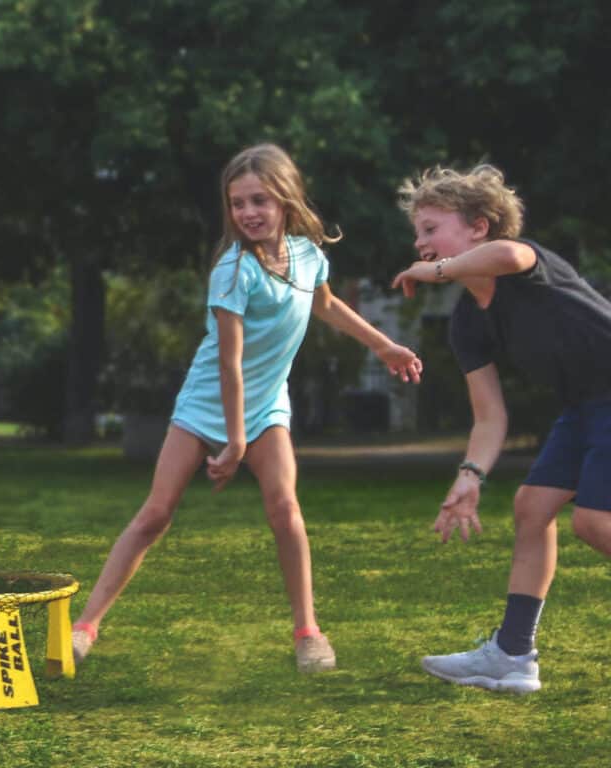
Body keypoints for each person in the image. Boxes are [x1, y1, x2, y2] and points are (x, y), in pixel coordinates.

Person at [70, 144, 423, 673]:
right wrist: (233, 443)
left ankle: (308, 633)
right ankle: (84, 628)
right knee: (156, 513)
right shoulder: (233, 271)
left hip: (266, 405)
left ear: (285, 199)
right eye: (237, 204)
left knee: (285, 510)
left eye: (258, 200)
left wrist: (382, 345)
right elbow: (228, 365)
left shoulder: (307, 255)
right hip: (207, 402)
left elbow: (324, 304)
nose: (248, 213)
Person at [391, 164, 611, 694]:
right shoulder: (468, 322)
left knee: (595, 523)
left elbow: (509, 254)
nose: (421, 244)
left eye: (431, 228)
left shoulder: (525, 262)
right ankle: (512, 655)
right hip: (585, 408)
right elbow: (490, 415)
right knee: (531, 507)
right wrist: (470, 476)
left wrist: (435, 271)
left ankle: (510, 654)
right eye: (417, 233)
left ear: (480, 227)